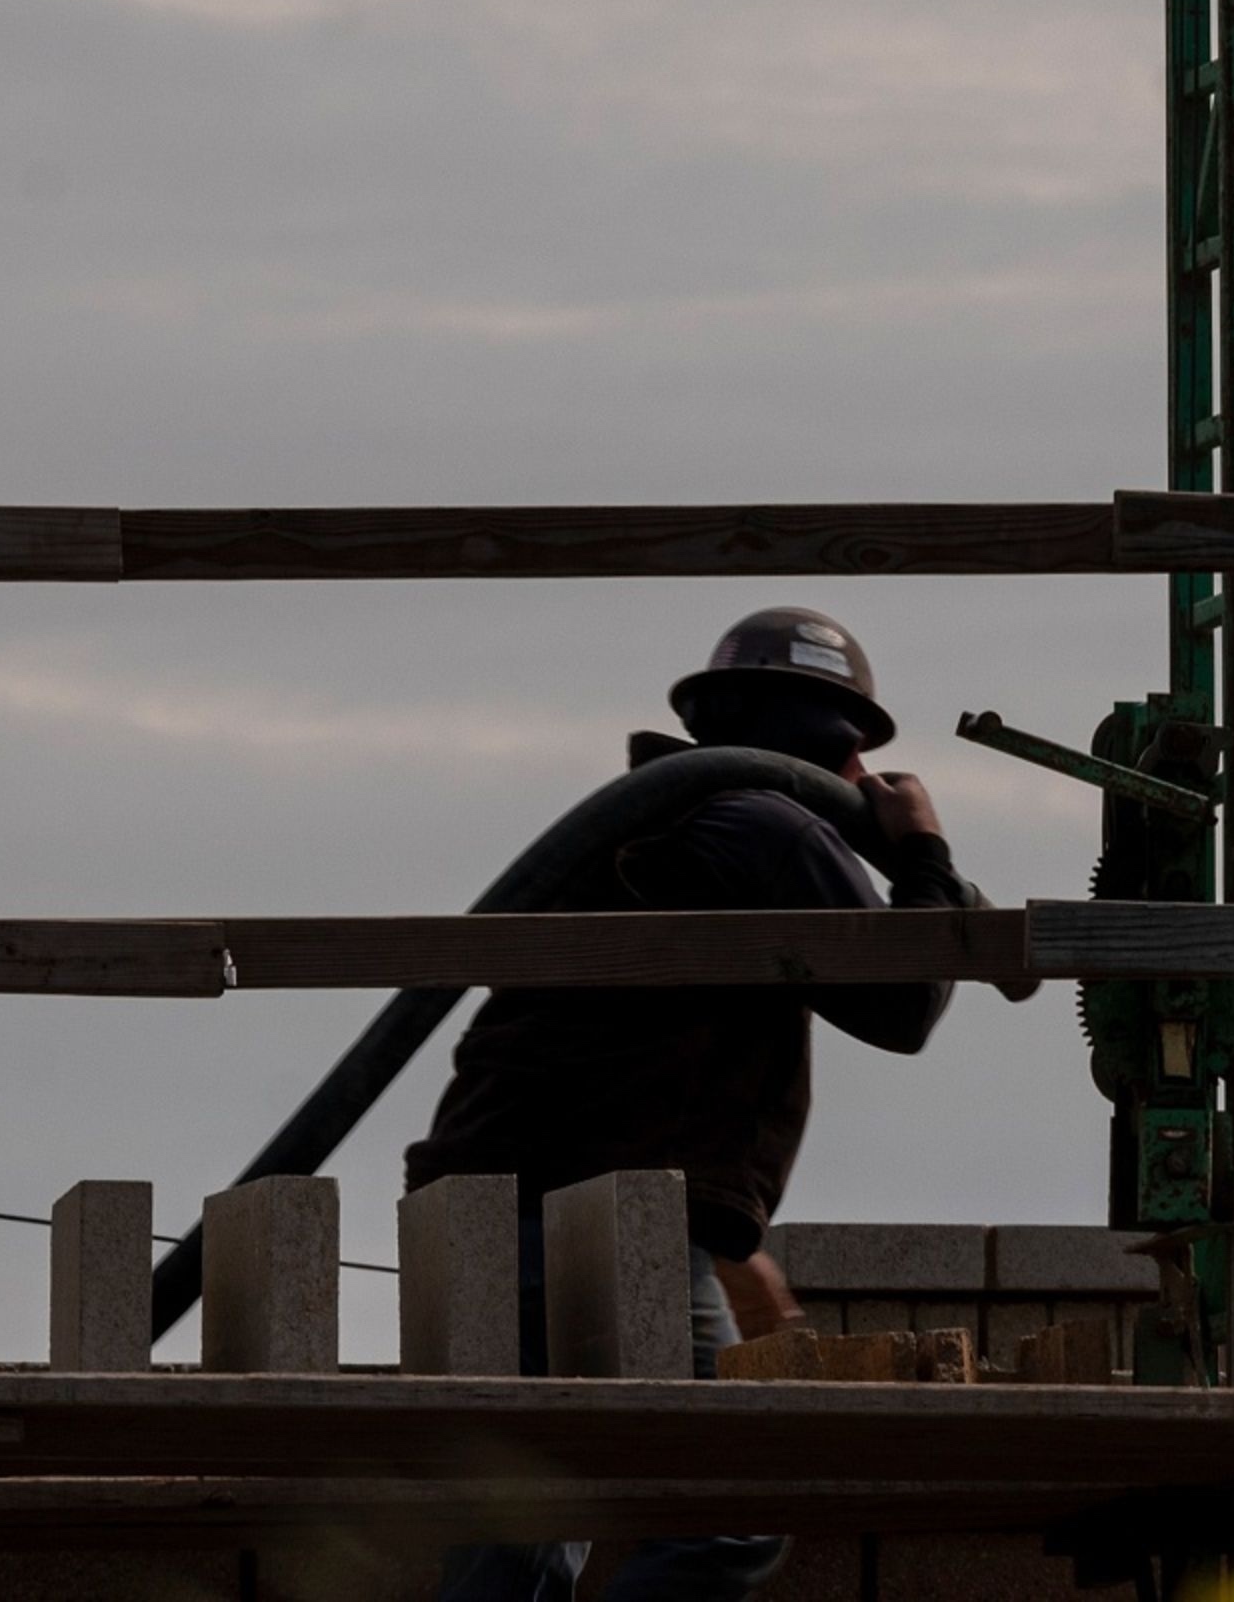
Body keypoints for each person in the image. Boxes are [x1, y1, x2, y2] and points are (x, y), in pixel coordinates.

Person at [417, 606, 974, 1602]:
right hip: (597, 1217)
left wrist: (720, 1234)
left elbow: (627, 1061)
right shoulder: (765, 824)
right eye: (853, 748)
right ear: (836, 743)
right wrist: (923, 855)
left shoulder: (647, 824)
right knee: (732, 1501)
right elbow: (903, 1002)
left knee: (521, 1532)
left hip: (478, 1211)